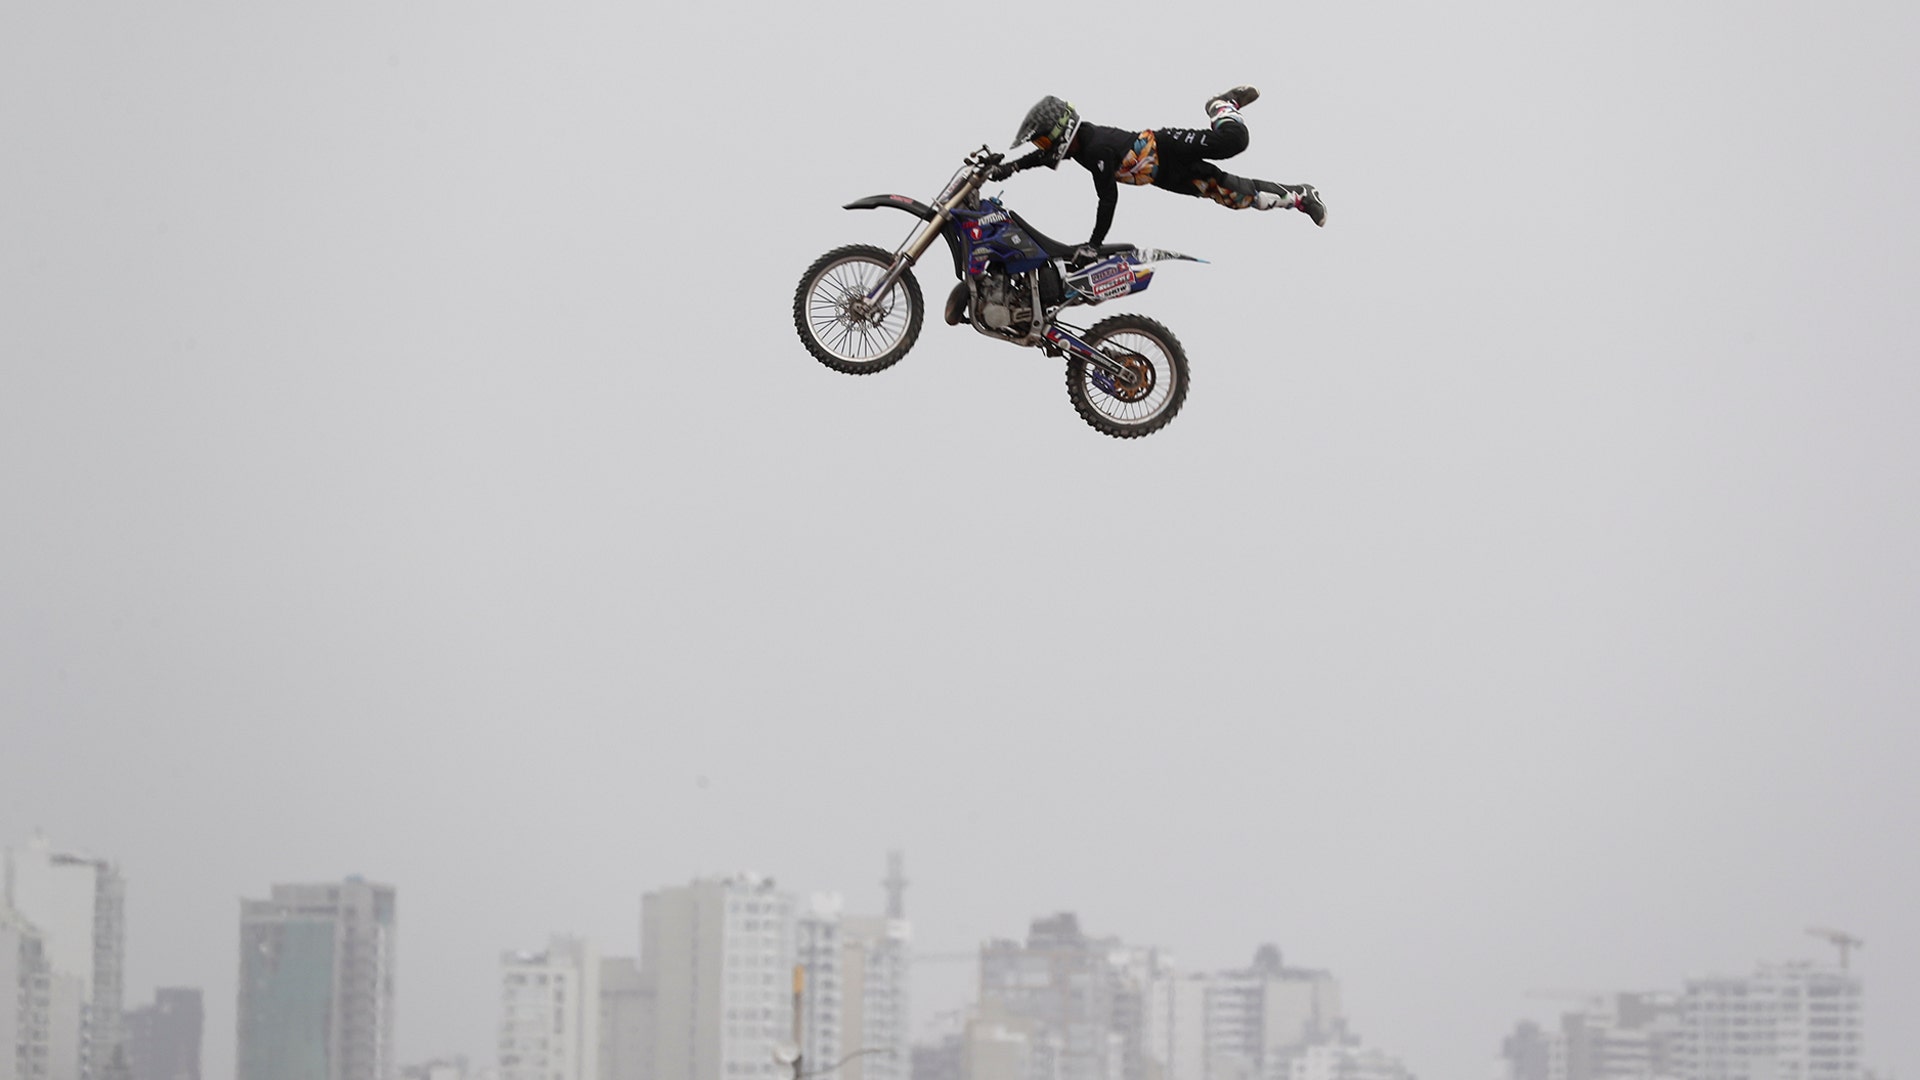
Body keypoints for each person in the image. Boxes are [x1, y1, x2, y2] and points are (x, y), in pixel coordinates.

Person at [990, 88, 1325, 261]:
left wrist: (1093, 245)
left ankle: (1222, 105)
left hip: (1167, 146)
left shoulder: (1095, 150)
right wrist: (1011, 167)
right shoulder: (1078, 147)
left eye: (1046, 139)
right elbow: (1042, 157)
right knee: (1236, 196)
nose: (1046, 148)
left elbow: (1108, 199)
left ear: (1062, 131)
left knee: (1234, 141)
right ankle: (1300, 196)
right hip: (1166, 176)